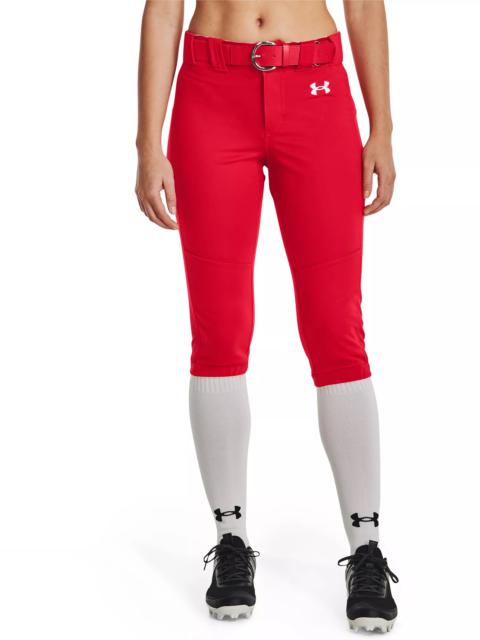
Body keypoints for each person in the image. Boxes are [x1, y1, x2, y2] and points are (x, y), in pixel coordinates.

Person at [135, 0, 399, 632]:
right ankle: (231, 542)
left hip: (315, 90)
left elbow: (364, 6)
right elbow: (164, 9)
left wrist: (382, 128)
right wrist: (148, 142)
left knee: (336, 330)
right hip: (211, 94)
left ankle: (366, 548)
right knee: (218, 330)